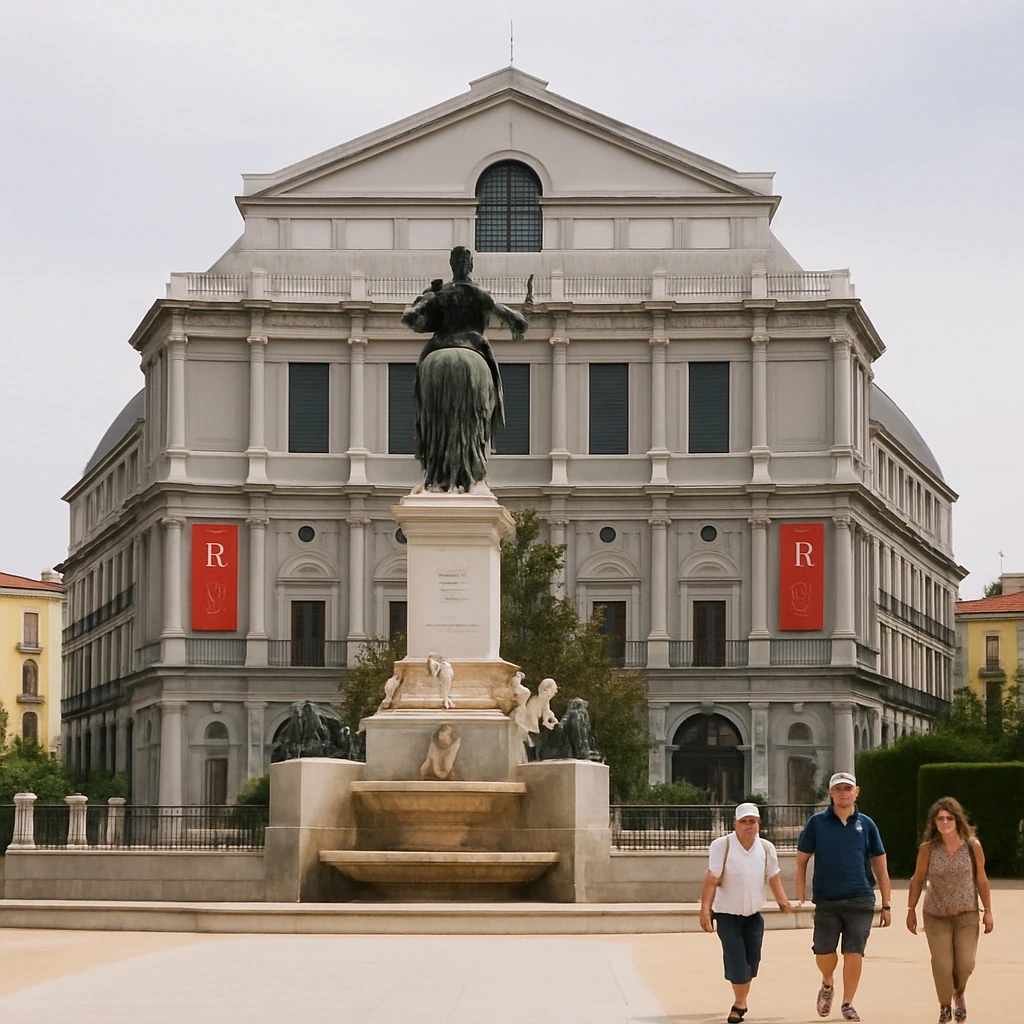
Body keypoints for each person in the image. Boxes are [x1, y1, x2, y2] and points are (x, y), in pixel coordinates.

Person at [795, 772, 891, 1022]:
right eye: (838, 789)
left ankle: (848, 1002)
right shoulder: (817, 823)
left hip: (860, 898)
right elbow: (802, 859)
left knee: (854, 952)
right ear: (831, 793)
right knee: (824, 953)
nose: (843, 793)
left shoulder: (866, 824)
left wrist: (887, 903)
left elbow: (880, 865)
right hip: (827, 899)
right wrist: (800, 893)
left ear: (856, 791)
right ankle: (827, 983)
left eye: (847, 788)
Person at [700, 802, 793, 1023]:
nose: (748, 826)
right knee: (737, 960)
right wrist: (705, 909)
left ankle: (741, 999)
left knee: (752, 961)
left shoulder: (766, 848)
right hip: (727, 914)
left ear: (759, 823)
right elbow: (712, 879)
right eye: (744, 822)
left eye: (752, 821)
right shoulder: (722, 846)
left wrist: (783, 900)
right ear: (735, 824)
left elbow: (773, 877)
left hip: (753, 915)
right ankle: (739, 1005)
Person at [906, 797, 994, 1023]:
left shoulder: (973, 846)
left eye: (949, 818)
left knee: (966, 963)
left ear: (957, 820)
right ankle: (945, 1006)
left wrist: (988, 911)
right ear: (934, 822)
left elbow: (982, 880)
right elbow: (917, 879)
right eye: (940, 819)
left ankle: (959, 991)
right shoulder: (928, 849)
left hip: (967, 913)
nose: (945, 822)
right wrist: (911, 909)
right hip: (936, 915)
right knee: (942, 964)